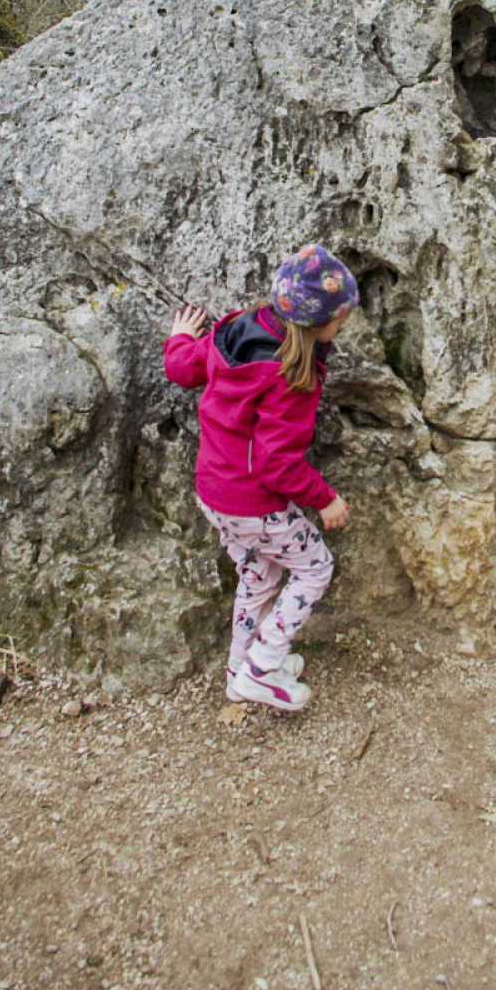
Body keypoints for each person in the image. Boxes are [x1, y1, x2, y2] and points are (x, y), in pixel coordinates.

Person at [163, 243, 359, 711]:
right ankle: (262, 666)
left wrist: (180, 338)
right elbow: (277, 463)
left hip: (213, 493)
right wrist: (325, 498)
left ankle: (240, 667)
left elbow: (180, 368)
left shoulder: (233, 330)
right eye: (340, 321)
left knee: (258, 576)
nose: (342, 328)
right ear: (316, 325)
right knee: (314, 569)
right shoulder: (293, 375)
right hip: (254, 504)